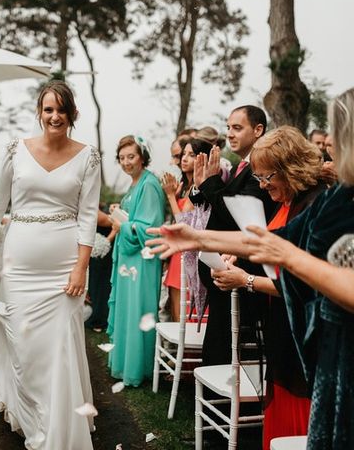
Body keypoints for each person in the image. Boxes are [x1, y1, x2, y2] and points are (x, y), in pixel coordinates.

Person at [146, 87, 354, 450]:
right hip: (309, 346)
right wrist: (197, 239)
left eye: (338, 136)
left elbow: (283, 252)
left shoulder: (325, 200)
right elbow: (265, 242)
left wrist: (268, 268)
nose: (331, 144)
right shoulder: (336, 199)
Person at [0, 80, 101, 450]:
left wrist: (80, 268)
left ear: (72, 113)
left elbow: (88, 217)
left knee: (59, 348)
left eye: (61, 110)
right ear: (39, 113)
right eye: (48, 109)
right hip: (21, 264)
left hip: (64, 265)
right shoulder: (17, 151)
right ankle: (35, 418)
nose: (54, 116)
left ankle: (58, 431)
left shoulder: (88, 157)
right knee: (25, 349)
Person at [200, 126, 326, 447]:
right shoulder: (286, 201)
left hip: (306, 342)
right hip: (281, 330)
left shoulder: (315, 208)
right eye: (258, 178)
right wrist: (241, 254)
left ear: (291, 169)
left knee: (301, 425)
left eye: (267, 177)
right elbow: (272, 248)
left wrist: (246, 280)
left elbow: (307, 285)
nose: (263, 185)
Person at [189, 105, 276, 366]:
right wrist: (202, 185)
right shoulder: (242, 167)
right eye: (228, 127)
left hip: (241, 269)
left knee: (224, 340)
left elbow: (238, 212)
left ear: (258, 130)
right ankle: (213, 388)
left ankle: (226, 395)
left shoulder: (260, 170)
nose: (230, 134)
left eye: (237, 127)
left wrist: (210, 182)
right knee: (218, 335)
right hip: (223, 268)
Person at [108, 135, 165, 386]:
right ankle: (124, 363)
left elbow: (151, 228)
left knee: (138, 311)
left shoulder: (149, 184)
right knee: (126, 310)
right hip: (127, 258)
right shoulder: (133, 185)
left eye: (131, 156)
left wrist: (123, 223)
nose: (126, 162)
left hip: (142, 259)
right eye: (121, 158)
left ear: (142, 157)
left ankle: (138, 369)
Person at [161, 138, 211, 321]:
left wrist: (170, 197)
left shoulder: (198, 189)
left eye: (191, 155)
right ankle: (179, 348)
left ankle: (187, 348)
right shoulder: (185, 188)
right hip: (178, 253)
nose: (184, 159)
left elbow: (183, 223)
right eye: (184, 155)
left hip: (189, 253)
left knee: (187, 310)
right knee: (176, 311)